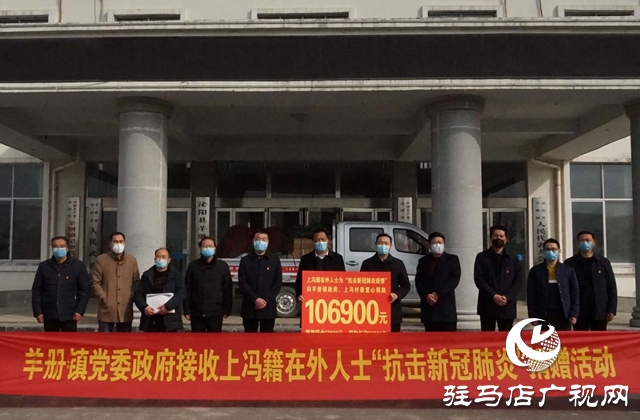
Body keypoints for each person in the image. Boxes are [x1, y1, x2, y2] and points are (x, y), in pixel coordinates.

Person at [31, 236, 90, 332]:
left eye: (62, 246)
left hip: (70, 314)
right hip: (49, 314)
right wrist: (37, 312)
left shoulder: (78, 266)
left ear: (67, 248)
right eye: (56, 246)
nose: (59, 249)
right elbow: (36, 290)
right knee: (50, 341)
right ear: (52, 249)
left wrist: (80, 311)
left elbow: (84, 291)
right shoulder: (44, 266)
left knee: (69, 341)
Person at [564, 231, 617, 331]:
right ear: (577, 243)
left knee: (599, 339)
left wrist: (612, 309)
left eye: (588, 240)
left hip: (599, 310)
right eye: (582, 240)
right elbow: (566, 288)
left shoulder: (603, 262)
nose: (585, 243)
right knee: (581, 339)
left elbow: (611, 287)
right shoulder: (570, 263)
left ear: (593, 242)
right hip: (579, 311)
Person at [474, 225, 523, 332]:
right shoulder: (482, 257)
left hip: (507, 305)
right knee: (487, 337)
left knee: (506, 337)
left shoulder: (513, 258)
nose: (498, 238)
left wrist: (507, 296)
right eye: (495, 236)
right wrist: (493, 295)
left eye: (501, 236)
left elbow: (518, 279)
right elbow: (478, 279)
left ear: (506, 239)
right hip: (487, 304)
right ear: (490, 238)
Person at [361, 233, 411, 332]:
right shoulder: (367, 264)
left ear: (390, 245)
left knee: (393, 340)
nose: (383, 245)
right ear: (375, 244)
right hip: (372, 311)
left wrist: (397, 295)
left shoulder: (398, 264)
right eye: (380, 243)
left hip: (393, 310)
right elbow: (361, 285)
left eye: (386, 243)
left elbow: (405, 285)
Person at [91, 232, 140, 332]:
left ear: (125, 243)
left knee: (124, 340)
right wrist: (103, 297)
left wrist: (132, 296)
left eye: (121, 241)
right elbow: (95, 281)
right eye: (115, 241)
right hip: (106, 310)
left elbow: (136, 281)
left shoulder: (132, 260)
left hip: (125, 309)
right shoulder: (101, 260)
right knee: (104, 340)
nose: (118, 244)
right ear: (110, 244)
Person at [527, 238, 579, 331]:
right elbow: (531, 295)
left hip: (563, 314)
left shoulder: (568, 270)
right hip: (543, 314)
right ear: (543, 251)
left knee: (563, 339)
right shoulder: (535, 271)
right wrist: (532, 315)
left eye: (554, 249)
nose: (551, 252)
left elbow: (574, 293)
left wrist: (574, 313)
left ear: (559, 251)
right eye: (548, 249)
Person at [184, 237, 233, 333]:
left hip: (216, 311)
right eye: (205, 246)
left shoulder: (222, 266)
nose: (207, 248)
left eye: (210, 246)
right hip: (197, 311)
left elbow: (227, 289)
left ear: (215, 248)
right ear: (200, 248)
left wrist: (227, 309)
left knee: (214, 340)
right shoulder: (193, 266)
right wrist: (187, 310)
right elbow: (188, 288)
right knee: (197, 340)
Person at [414, 232, 461, 332]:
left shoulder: (452, 259)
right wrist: (426, 295)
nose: (437, 245)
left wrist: (438, 294)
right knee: (430, 339)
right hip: (429, 309)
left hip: (446, 309)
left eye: (440, 242)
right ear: (430, 245)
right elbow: (419, 281)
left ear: (444, 244)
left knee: (448, 339)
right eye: (434, 243)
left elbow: (454, 279)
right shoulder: (423, 261)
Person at [239, 230, 283, 333]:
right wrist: (255, 299)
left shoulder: (274, 260)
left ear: (268, 242)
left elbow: (277, 283)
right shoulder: (245, 260)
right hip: (249, 307)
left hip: (268, 307)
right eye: (258, 239)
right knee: (249, 338)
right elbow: (242, 282)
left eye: (263, 239)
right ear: (253, 241)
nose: (260, 242)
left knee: (267, 339)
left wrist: (265, 300)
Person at [134, 248, 186, 333]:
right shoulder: (147, 275)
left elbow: (181, 293)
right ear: (154, 259)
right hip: (151, 319)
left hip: (170, 319)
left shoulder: (176, 275)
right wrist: (144, 307)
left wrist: (167, 306)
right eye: (158, 257)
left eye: (163, 257)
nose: (160, 259)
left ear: (169, 260)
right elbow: (138, 293)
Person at [295, 228, 346, 303]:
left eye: (323, 239)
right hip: (311, 300)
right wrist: (299, 295)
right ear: (313, 242)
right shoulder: (306, 259)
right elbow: (299, 280)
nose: (320, 242)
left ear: (328, 240)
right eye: (317, 240)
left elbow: (343, 281)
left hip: (332, 300)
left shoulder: (337, 259)